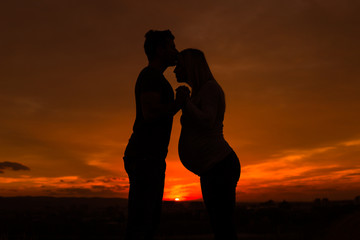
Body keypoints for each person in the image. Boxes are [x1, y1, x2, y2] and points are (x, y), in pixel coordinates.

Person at [123, 30, 187, 240]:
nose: (175, 51)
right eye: (171, 47)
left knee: (146, 220)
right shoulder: (150, 76)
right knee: (143, 222)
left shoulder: (155, 77)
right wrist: (178, 103)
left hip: (149, 156)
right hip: (145, 156)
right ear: (159, 50)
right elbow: (149, 113)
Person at [174, 48, 241, 240]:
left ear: (190, 66)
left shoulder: (210, 88)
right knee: (219, 225)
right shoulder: (199, 92)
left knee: (223, 227)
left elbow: (208, 120)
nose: (175, 69)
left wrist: (185, 102)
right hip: (211, 169)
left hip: (219, 166)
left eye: (179, 64)